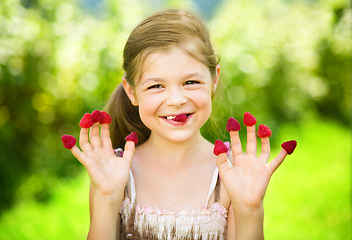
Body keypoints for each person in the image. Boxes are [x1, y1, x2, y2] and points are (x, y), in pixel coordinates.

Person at [68, 9, 293, 240]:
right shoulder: (114, 174)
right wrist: (107, 196)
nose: (176, 100)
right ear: (131, 91)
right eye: (156, 86)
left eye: (191, 82)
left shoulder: (233, 175)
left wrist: (249, 210)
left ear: (214, 80)